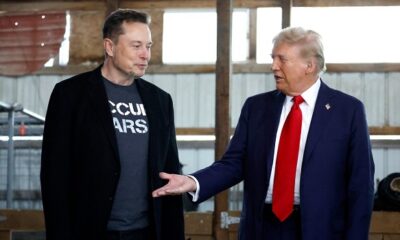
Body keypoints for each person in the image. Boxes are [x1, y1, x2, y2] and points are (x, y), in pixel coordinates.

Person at [152, 27, 375, 240]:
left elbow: (360, 185)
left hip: (321, 229)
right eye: (273, 58)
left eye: (282, 59)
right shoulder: (256, 107)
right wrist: (193, 182)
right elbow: (234, 163)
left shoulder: (348, 111)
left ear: (309, 65)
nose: (274, 67)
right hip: (261, 228)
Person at [40, 9, 184, 240]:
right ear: (109, 47)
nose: (145, 55)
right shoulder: (70, 95)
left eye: (148, 46)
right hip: (90, 230)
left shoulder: (160, 100)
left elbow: (170, 169)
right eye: (136, 46)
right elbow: (54, 175)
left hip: (147, 232)